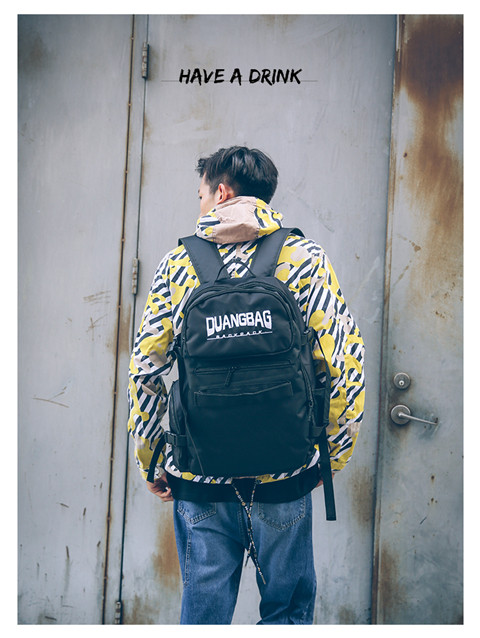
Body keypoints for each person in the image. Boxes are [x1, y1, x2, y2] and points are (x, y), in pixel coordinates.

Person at [127, 146, 365, 624]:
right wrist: (331, 457)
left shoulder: (178, 264)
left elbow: (146, 372)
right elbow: (343, 366)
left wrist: (152, 460)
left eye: (200, 195)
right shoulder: (305, 259)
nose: (199, 204)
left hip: (200, 478)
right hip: (284, 473)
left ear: (220, 192)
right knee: (287, 614)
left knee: (204, 616)